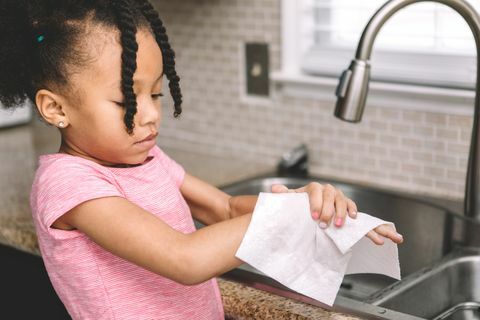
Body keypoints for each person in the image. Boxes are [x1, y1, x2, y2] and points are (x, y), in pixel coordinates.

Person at [0, 0, 404, 319]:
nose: (151, 113)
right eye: (126, 98)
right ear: (55, 109)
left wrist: (303, 204)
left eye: (156, 94)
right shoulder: (69, 185)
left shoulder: (147, 158)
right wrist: (284, 216)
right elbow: (185, 259)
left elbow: (223, 207)